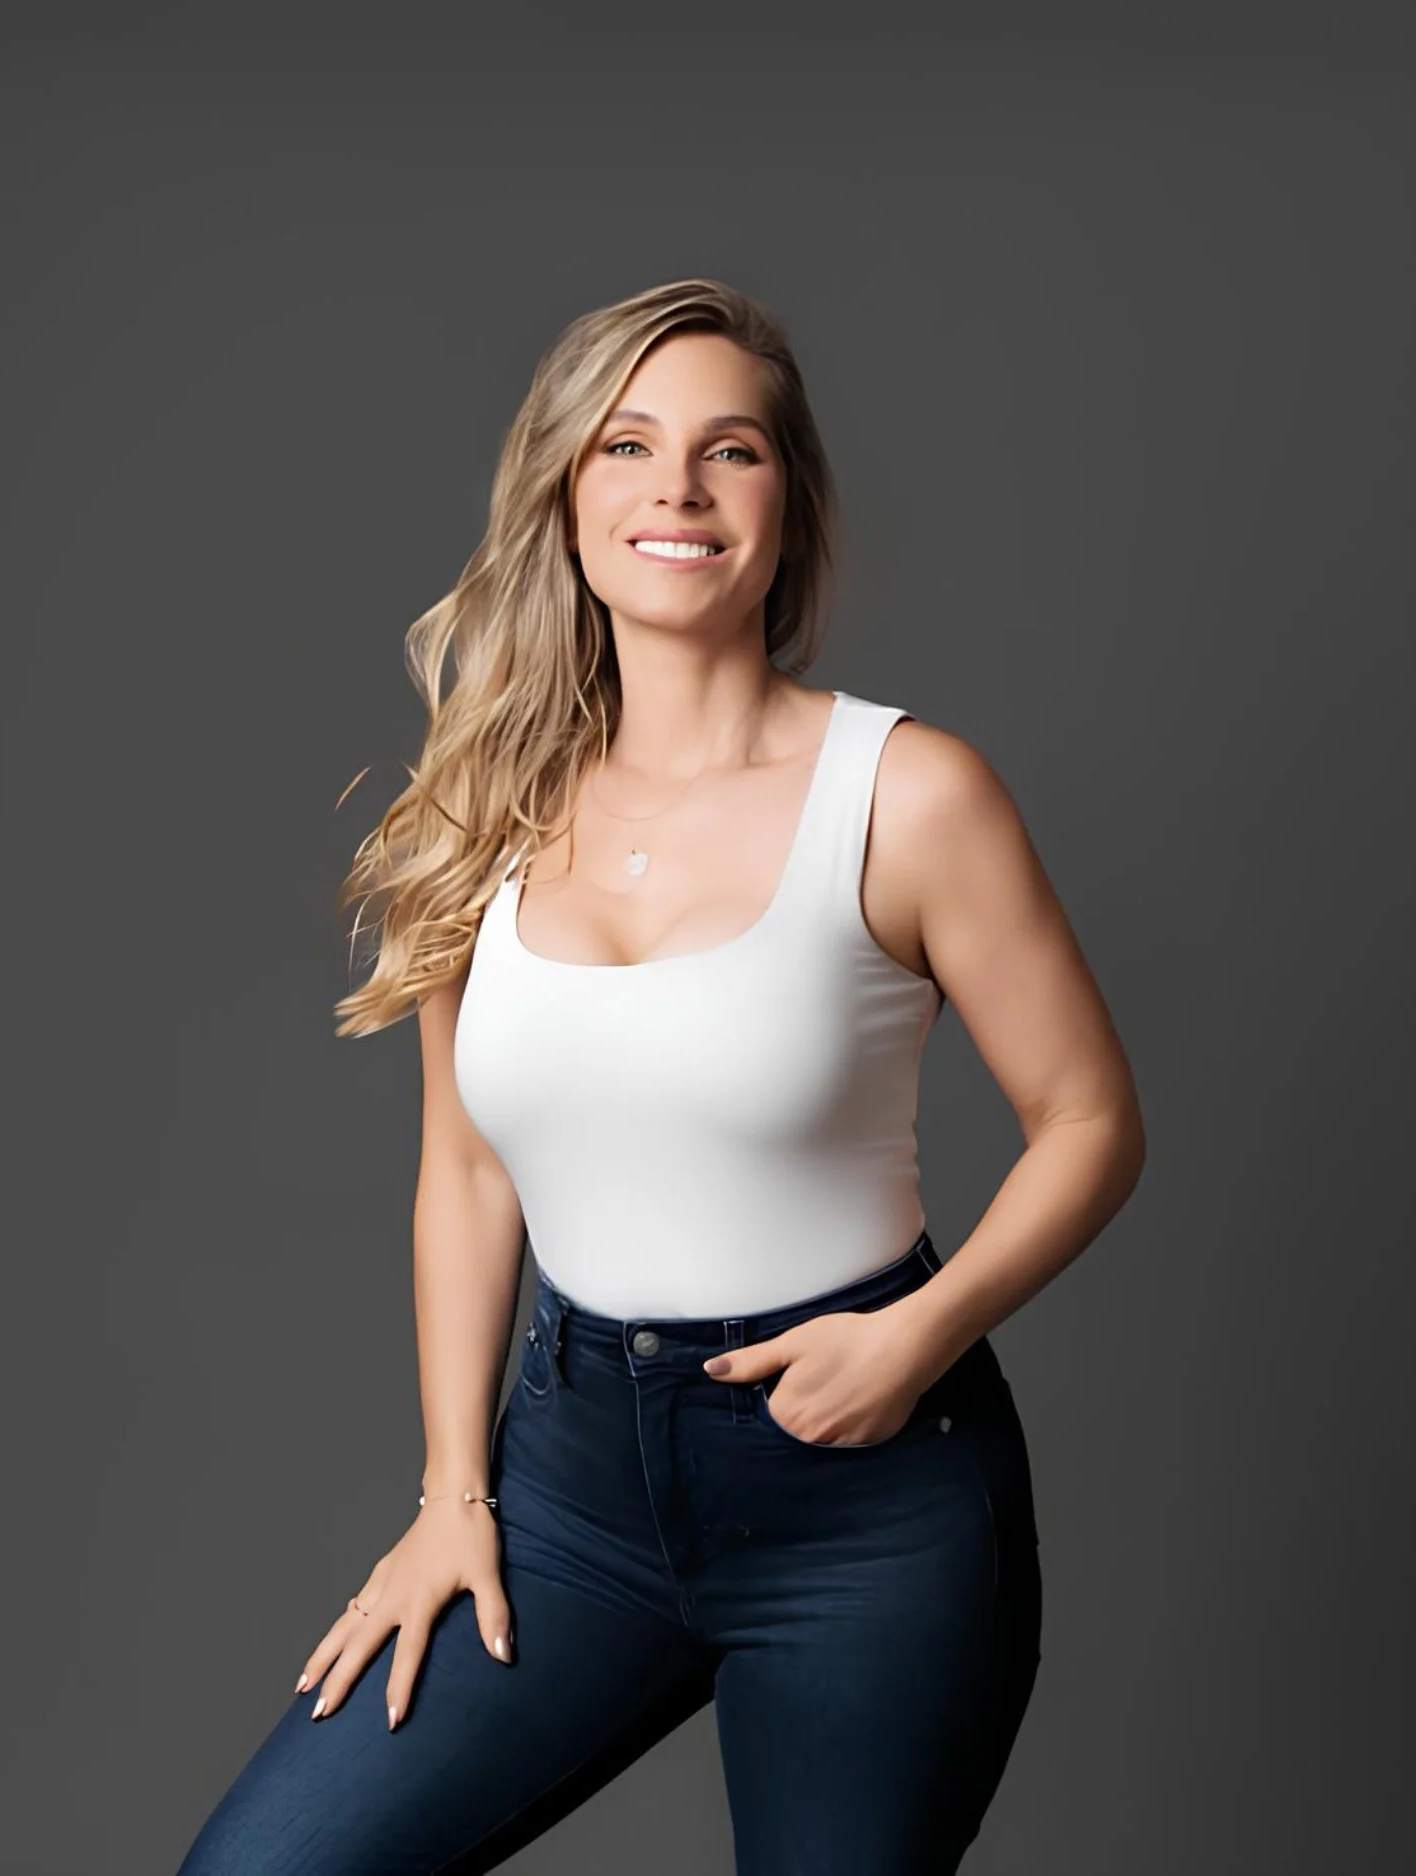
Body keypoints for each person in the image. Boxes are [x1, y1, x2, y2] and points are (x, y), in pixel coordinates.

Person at [175, 277, 1146, 1875]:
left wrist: (919, 1335)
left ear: (789, 502)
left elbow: (1092, 1121)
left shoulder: (906, 794)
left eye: (731, 450)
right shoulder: (472, 815)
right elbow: (469, 1174)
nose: (676, 490)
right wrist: (449, 1495)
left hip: (867, 1505)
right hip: (565, 1497)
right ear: (568, 498)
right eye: (626, 445)